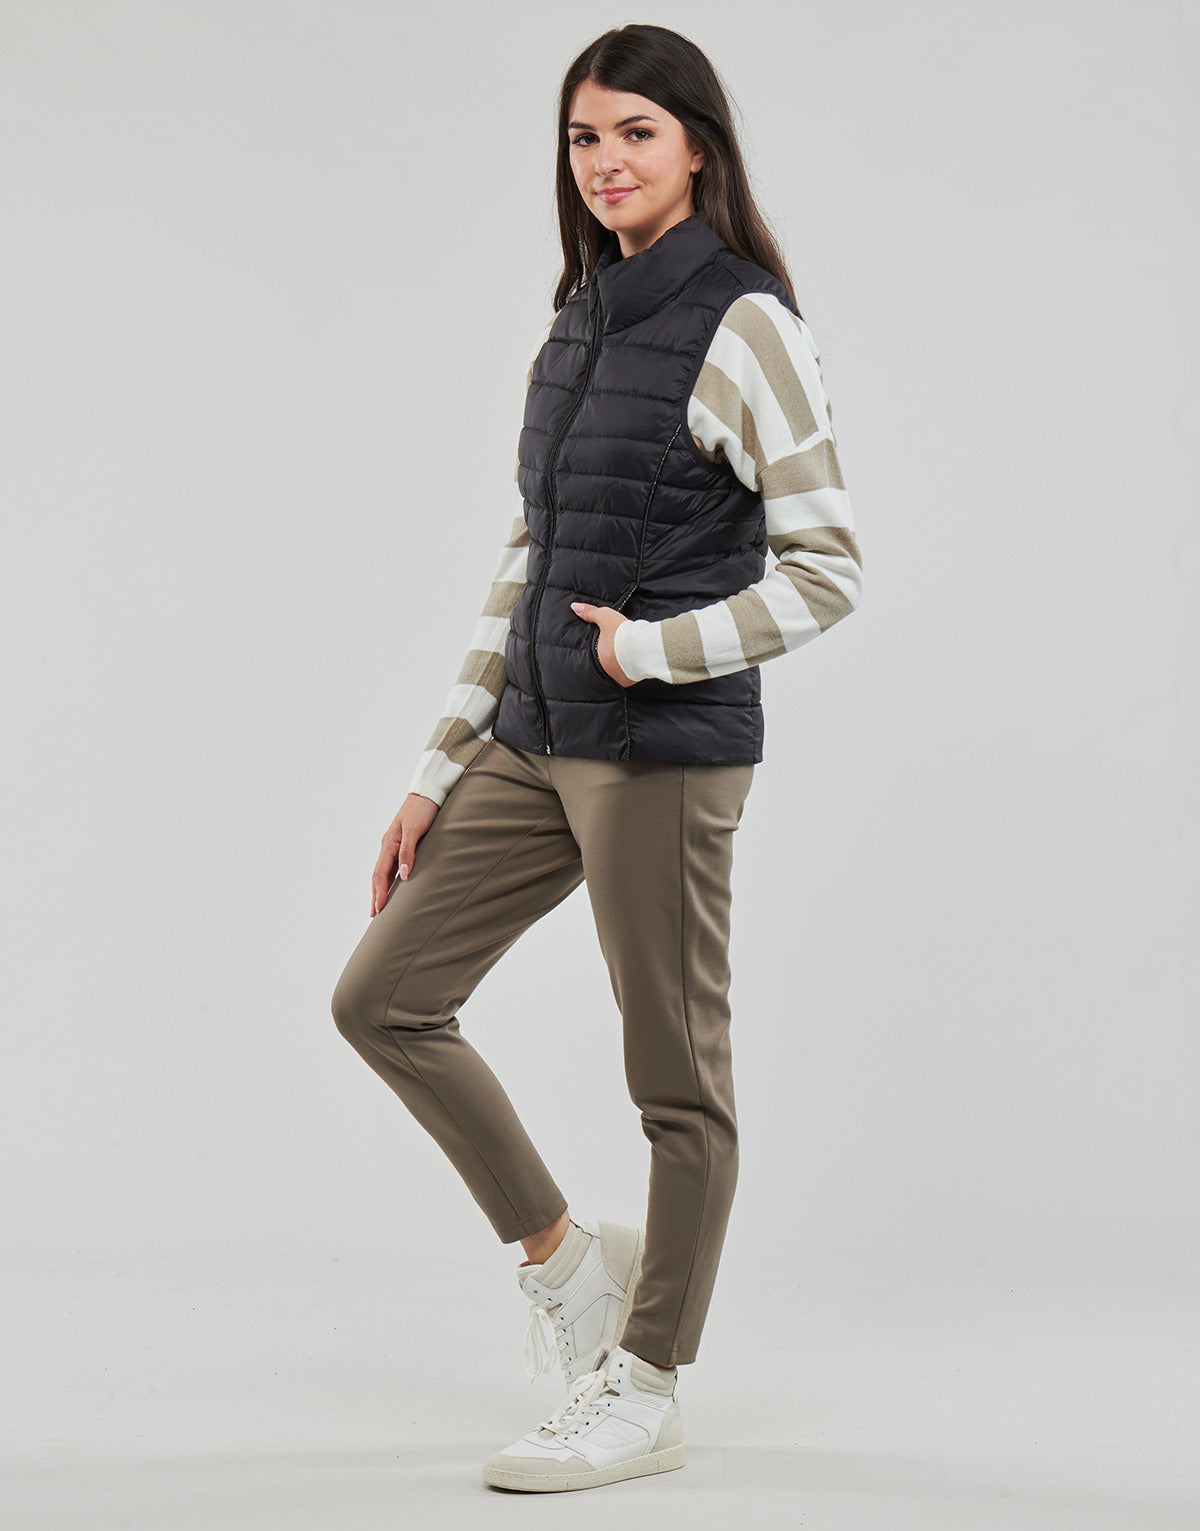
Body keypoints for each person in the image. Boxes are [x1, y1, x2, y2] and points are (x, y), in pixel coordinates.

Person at [330, 22, 863, 1495]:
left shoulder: (746, 322)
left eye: (637, 132)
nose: (607, 161)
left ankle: (648, 1382)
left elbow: (828, 569)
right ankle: (569, 1266)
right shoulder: (578, 318)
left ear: (698, 148)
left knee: (674, 1078)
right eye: (585, 137)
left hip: (659, 753)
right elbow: (531, 555)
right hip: (534, 737)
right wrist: (440, 764)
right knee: (383, 998)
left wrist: (655, 650)